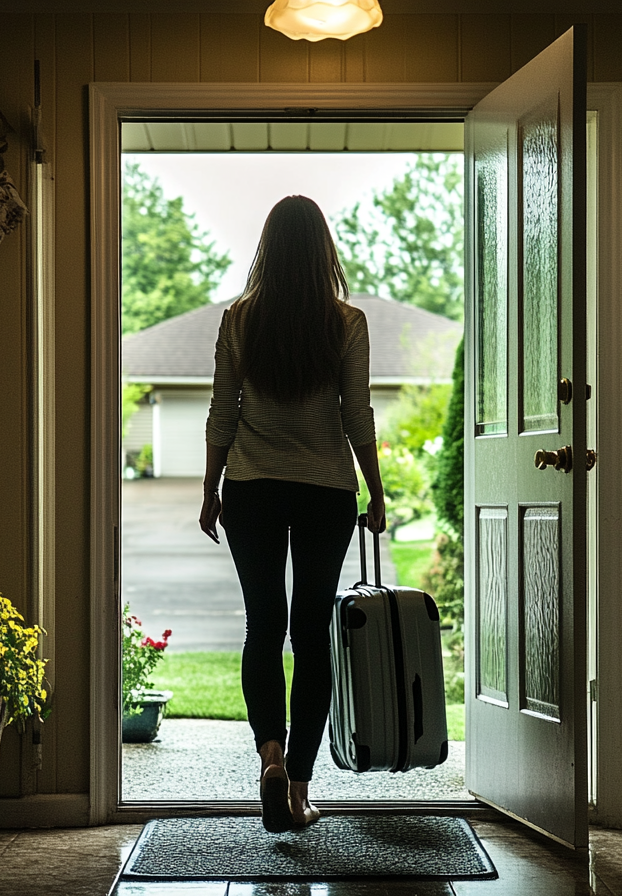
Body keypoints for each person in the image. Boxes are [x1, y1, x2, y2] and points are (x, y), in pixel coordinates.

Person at [199, 195, 386, 833]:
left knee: (263, 626)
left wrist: (209, 488)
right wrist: (377, 491)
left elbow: (224, 408)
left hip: (250, 487)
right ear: (322, 251)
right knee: (311, 633)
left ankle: (270, 757)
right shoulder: (346, 322)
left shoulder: (240, 320)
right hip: (324, 493)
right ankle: (301, 789)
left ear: (268, 249)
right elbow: (356, 413)